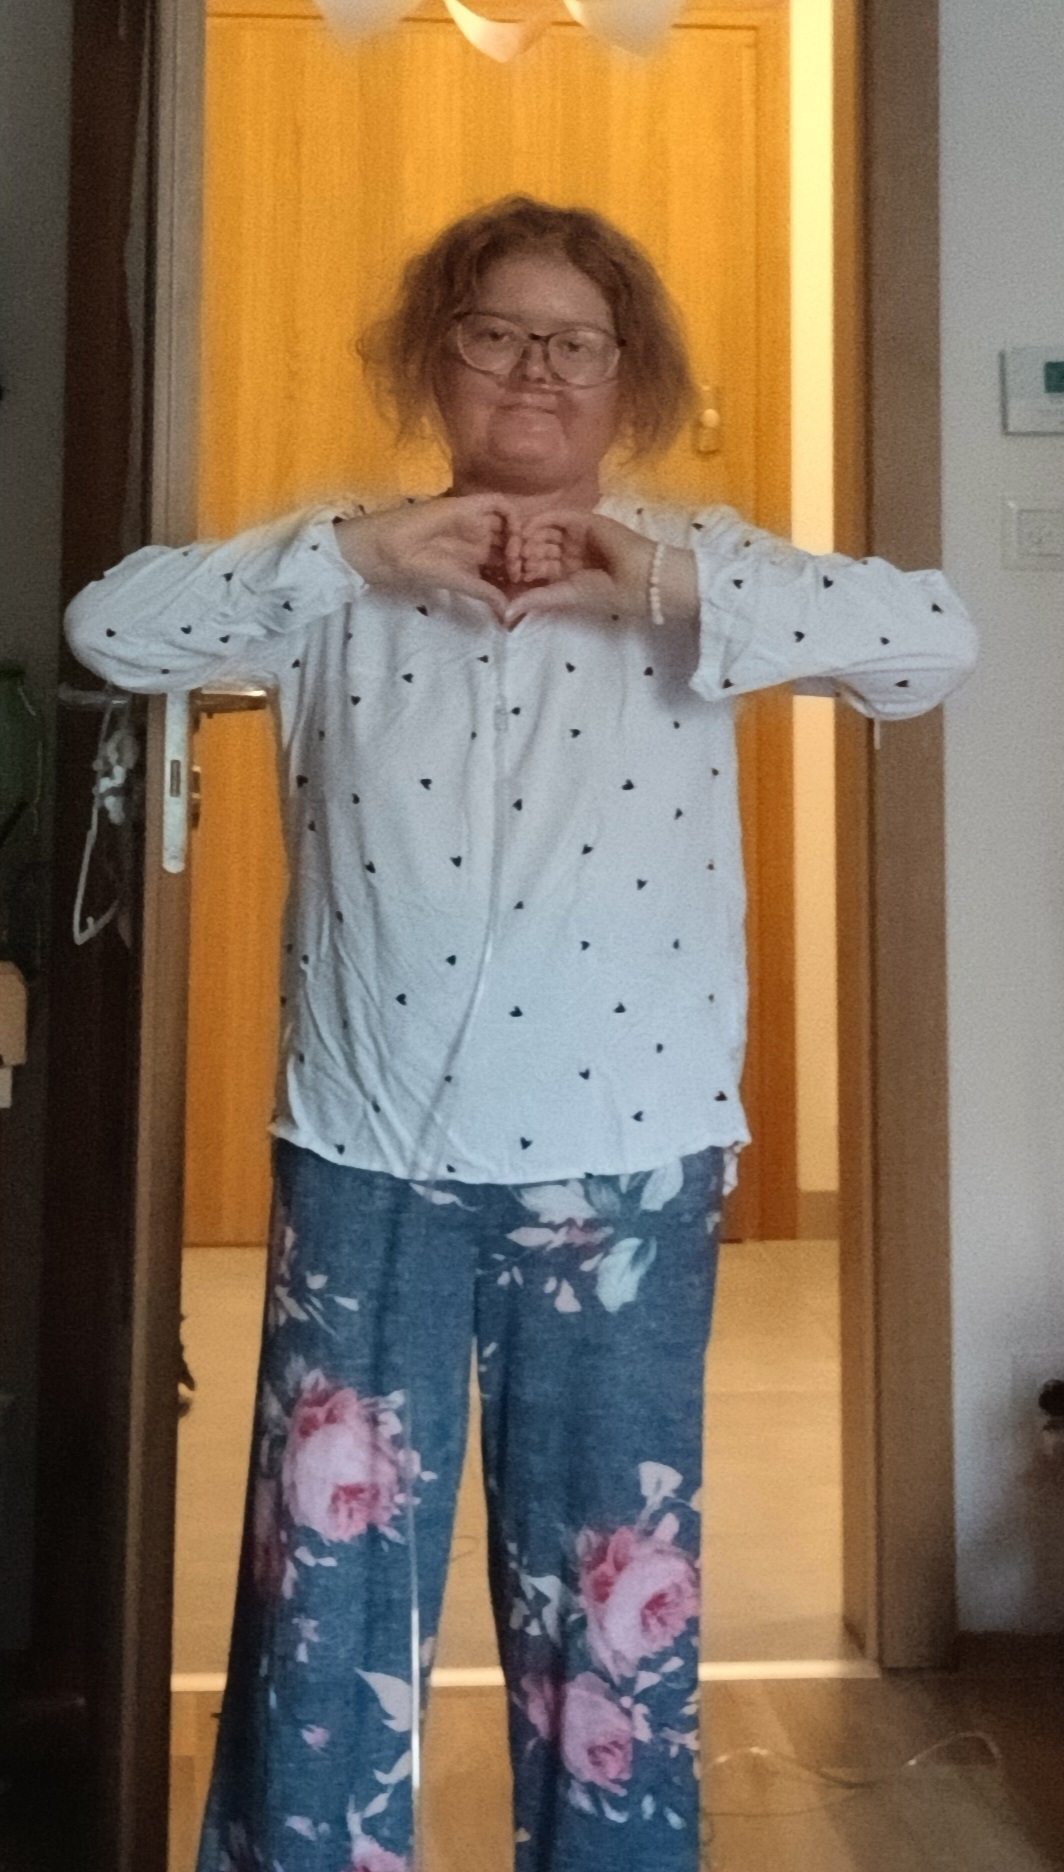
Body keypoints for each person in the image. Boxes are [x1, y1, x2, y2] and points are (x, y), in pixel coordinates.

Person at [66, 196, 977, 1872]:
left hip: (625, 1165)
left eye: (577, 342)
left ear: (631, 374)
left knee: (610, 1605)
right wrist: (358, 554)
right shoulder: (338, 564)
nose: (537, 370)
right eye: (496, 333)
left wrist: (659, 577)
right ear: (438, 358)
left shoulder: (696, 564)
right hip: (369, 1157)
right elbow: (110, 628)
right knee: (326, 1596)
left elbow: (931, 644)